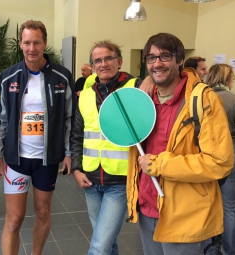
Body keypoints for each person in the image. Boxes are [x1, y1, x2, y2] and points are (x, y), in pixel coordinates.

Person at [126, 33, 235, 255]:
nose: (157, 63)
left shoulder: (203, 100)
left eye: (165, 56)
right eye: (151, 57)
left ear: (180, 60)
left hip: (185, 214)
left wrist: (160, 165)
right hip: (147, 207)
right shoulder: (145, 100)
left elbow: (219, 162)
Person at [0, 20, 75, 255]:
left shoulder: (62, 76)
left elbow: (70, 118)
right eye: (27, 42)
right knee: (15, 219)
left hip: (46, 159)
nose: (32, 48)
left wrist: (68, 153)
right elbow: (1, 118)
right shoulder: (8, 77)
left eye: (36, 42)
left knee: (43, 212)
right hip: (17, 159)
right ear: (20, 44)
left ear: (44, 43)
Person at [71, 40, 141, 255]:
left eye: (108, 58)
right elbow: (77, 134)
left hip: (120, 180)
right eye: (97, 60)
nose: (103, 64)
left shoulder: (136, 88)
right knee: (107, 241)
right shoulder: (87, 93)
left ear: (119, 61)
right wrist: (76, 168)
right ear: (92, 66)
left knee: (99, 246)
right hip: (91, 179)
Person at [205, 64, 235, 255]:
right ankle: (230, 250)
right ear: (227, 77)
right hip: (232, 154)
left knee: (207, 203)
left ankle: (208, 246)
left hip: (208, 156)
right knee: (230, 206)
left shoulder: (203, 96)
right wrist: (234, 134)